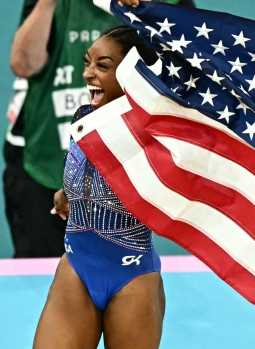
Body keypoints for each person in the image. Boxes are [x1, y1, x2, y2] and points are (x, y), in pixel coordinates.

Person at [7, 0, 194, 258]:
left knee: (119, 277)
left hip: (127, 165)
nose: (88, 75)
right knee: (46, 280)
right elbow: (22, 65)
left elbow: (187, 81)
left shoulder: (169, 4)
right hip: (44, 165)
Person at [34, 25, 166, 349]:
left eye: (102, 66)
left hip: (132, 276)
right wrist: (68, 194)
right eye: (88, 63)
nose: (87, 73)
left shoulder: (156, 134)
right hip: (77, 267)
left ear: (131, 76)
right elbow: (88, 177)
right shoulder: (82, 118)